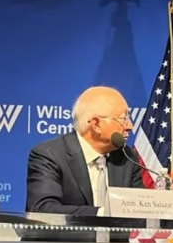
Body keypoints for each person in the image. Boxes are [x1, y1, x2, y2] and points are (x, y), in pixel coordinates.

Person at [25, 86, 145, 216]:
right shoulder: (50, 155)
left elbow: (139, 210)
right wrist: (104, 214)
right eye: (123, 119)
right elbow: (42, 210)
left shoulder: (127, 157)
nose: (130, 126)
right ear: (96, 124)